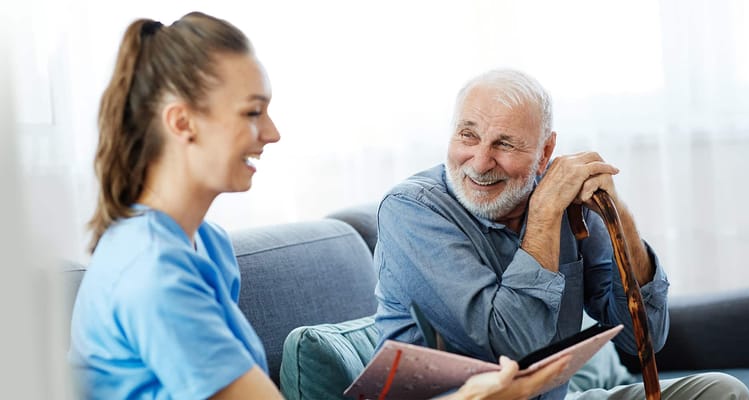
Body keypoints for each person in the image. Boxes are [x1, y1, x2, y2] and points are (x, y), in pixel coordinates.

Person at [68, 12, 573, 400]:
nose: (272, 133)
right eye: (252, 112)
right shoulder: (154, 273)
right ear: (182, 123)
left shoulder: (207, 246)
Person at [372, 69, 749, 400]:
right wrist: (544, 214)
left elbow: (644, 337)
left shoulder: (564, 198)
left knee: (720, 391)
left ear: (544, 152)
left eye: (504, 144)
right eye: (468, 136)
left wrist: (617, 211)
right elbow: (513, 349)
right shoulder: (412, 210)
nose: (481, 161)